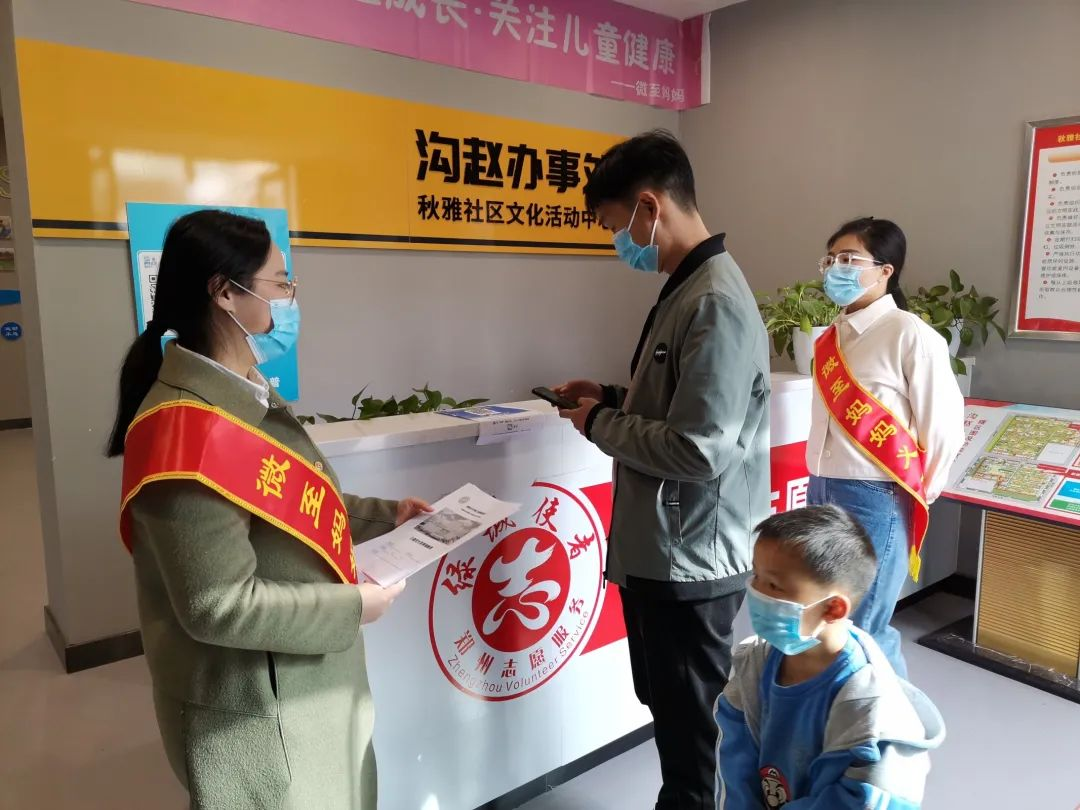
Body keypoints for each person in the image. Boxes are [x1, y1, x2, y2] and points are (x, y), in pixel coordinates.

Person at [106, 209, 431, 810]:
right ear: (225, 292)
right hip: (259, 713)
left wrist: (388, 516)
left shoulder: (241, 386)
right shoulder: (184, 430)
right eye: (280, 283)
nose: (288, 298)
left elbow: (291, 500)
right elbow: (218, 604)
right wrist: (355, 606)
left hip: (303, 684)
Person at [554, 130, 771, 810]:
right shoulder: (688, 289)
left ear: (650, 207)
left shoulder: (714, 300)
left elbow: (699, 448)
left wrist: (598, 423)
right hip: (667, 549)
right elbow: (680, 401)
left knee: (692, 737)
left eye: (615, 225)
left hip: (692, 558)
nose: (618, 243)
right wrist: (611, 398)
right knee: (674, 717)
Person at [806, 217, 964, 677]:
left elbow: (943, 425)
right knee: (828, 618)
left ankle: (883, 715)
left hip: (876, 495)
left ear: (886, 270)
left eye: (849, 259)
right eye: (830, 259)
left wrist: (917, 492)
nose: (836, 268)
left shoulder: (910, 334)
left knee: (865, 626)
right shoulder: (829, 337)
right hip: (820, 488)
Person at [715, 506, 945, 809]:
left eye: (773, 585)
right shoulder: (755, 663)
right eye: (756, 575)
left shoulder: (871, 712)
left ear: (833, 608)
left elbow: (860, 800)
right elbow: (736, 768)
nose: (756, 591)